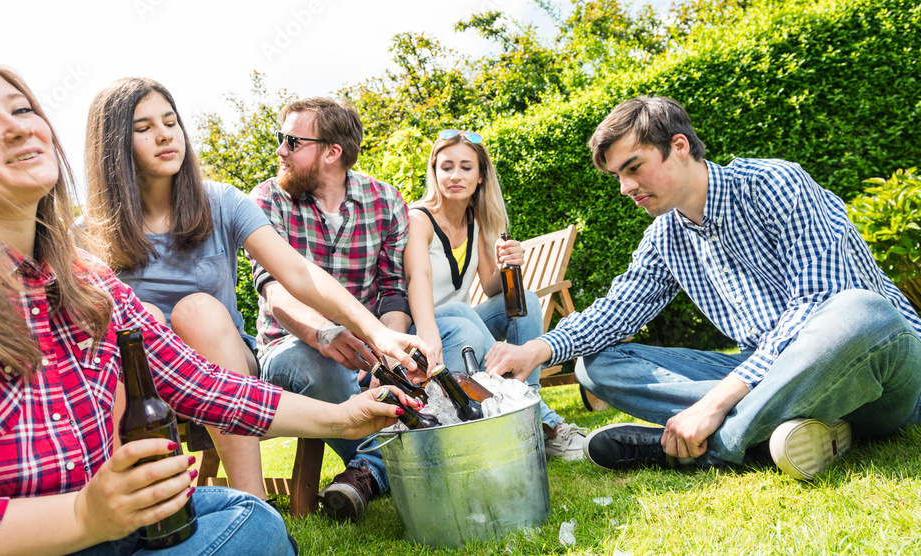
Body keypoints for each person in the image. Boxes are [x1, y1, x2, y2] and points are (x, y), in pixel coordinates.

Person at [0, 55, 420, 555]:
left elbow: (202, 383)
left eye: (23, 110)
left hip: (117, 514)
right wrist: (81, 516)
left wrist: (345, 417)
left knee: (255, 520)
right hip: (30, 537)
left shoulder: (83, 278)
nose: (14, 129)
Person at [486, 95, 921, 480]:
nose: (625, 188)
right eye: (617, 176)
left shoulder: (775, 185)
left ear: (678, 146)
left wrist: (715, 403)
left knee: (862, 311)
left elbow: (817, 302)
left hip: (879, 371)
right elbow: (616, 311)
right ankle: (799, 426)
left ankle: (714, 443)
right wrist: (536, 350)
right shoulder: (664, 237)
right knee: (597, 366)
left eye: (633, 168)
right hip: (774, 374)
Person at [79, 78, 425, 499]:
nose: (165, 134)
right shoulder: (87, 236)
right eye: (143, 127)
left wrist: (379, 332)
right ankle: (128, 508)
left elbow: (299, 275)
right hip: (138, 384)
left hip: (222, 362)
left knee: (199, 310)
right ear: (113, 143)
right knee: (138, 322)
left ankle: (253, 503)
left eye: (170, 121)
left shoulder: (222, 202)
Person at [250, 97, 442, 520]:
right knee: (320, 367)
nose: (279, 149)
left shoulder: (386, 201)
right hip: (291, 347)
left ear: (332, 152)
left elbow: (394, 289)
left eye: (291, 140)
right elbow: (273, 291)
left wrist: (386, 353)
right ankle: (415, 461)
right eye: (280, 138)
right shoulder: (266, 200)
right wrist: (324, 333)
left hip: (372, 344)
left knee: (455, 324)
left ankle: (369, 471)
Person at [403, 128, 592, 460]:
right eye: (446, 167)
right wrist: (428, 337)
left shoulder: (474, 220)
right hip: (424, 335)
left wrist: (508, 266)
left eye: (465, 167)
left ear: (480, 177)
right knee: (461, 313)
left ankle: (527, 401)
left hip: (463, 329)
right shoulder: (419, 219)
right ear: (434, 172)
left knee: (528, 300)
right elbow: (416, 277)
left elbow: (491, 285)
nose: (455, 175)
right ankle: (545, 422)